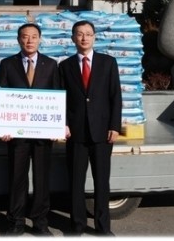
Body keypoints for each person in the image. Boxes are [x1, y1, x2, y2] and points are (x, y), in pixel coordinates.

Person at [58, 20, 122, 236]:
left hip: (102, 132)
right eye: (79, 34)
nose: (84, 38)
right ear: (73, 38)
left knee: (102, 182)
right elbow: (61, 98)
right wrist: (64, 123)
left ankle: (103, 227)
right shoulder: (65, 66)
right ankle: (77, 225)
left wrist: (114, 126)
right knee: (76, 182)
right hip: (76, 133)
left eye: (88, 33)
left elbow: (115, 96)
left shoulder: (108, 63)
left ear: (94, 37)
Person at [0, 23, 61, 236]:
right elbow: (1, 97)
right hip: (17, 134)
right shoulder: (7, 64)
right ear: (18, 40)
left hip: (43, 134)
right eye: (25, 36)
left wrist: (57, 126)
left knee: (42, 178)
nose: (30, 40)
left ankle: (40, 222)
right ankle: (16, 221)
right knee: (17, 178)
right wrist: (2, 127)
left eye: (34, 36)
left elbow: (57, 95)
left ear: (40, 39)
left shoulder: (51, 65)